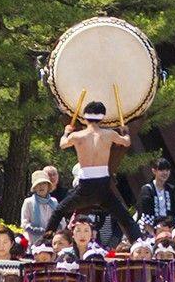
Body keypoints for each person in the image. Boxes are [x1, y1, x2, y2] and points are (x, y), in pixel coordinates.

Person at [56, 101, 136, 244]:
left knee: (58, 211)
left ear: (85, 117)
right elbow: (126, 142)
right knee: (124, 217)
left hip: (85, 184)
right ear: (102, 118)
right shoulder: (109, 134)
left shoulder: (77, 136)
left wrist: (66, 132)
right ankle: (138, 241)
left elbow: (63, 144)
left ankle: (47, 239)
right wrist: (125, 131)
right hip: (102, 183)